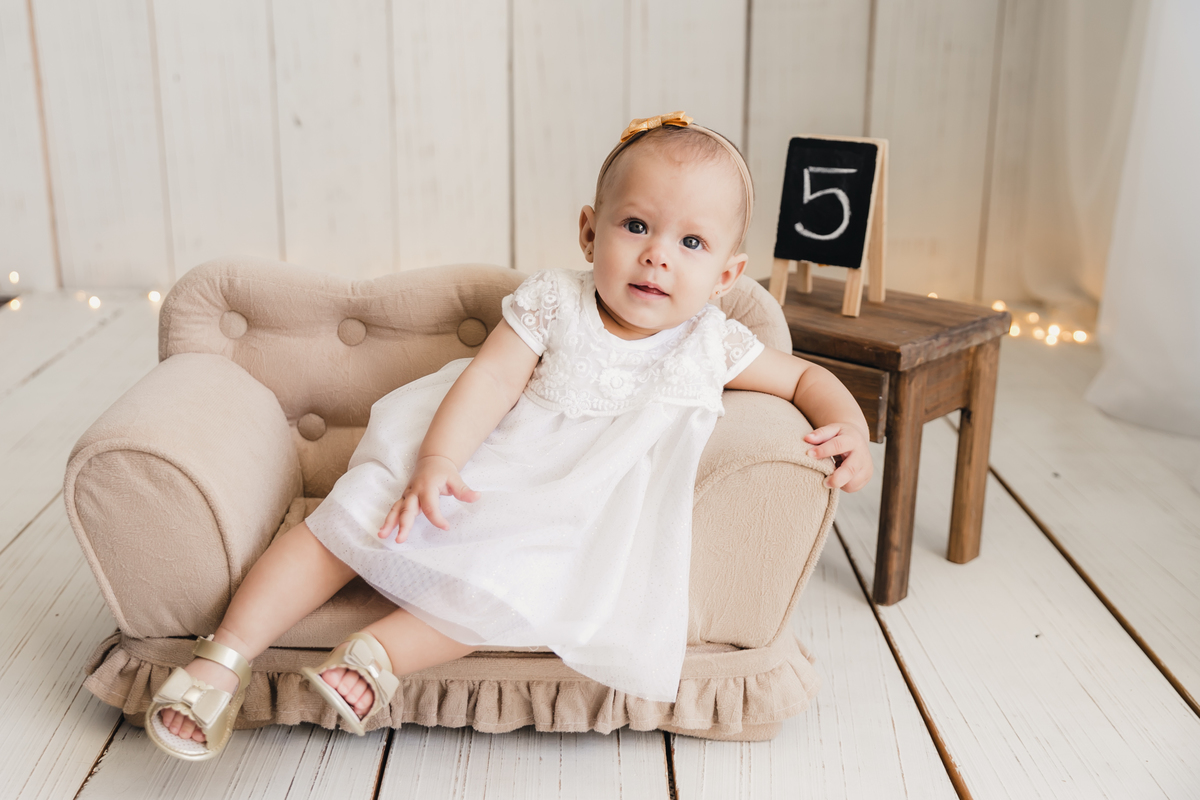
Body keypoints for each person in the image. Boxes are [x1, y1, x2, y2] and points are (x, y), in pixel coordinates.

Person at [146, 111, 873, 761]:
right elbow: (490, 381)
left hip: (565, 507)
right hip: (477, 457)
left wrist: (850, 423)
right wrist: (438, 460)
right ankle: (223, 657)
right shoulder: (557, 301)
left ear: (725, 275)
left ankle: (376, 656)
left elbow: (804, 379)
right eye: (636, 226)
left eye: (691, 241)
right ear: (589, 230)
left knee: (512, 586)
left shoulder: (712, 343)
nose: (658, 255)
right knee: (351, 519)